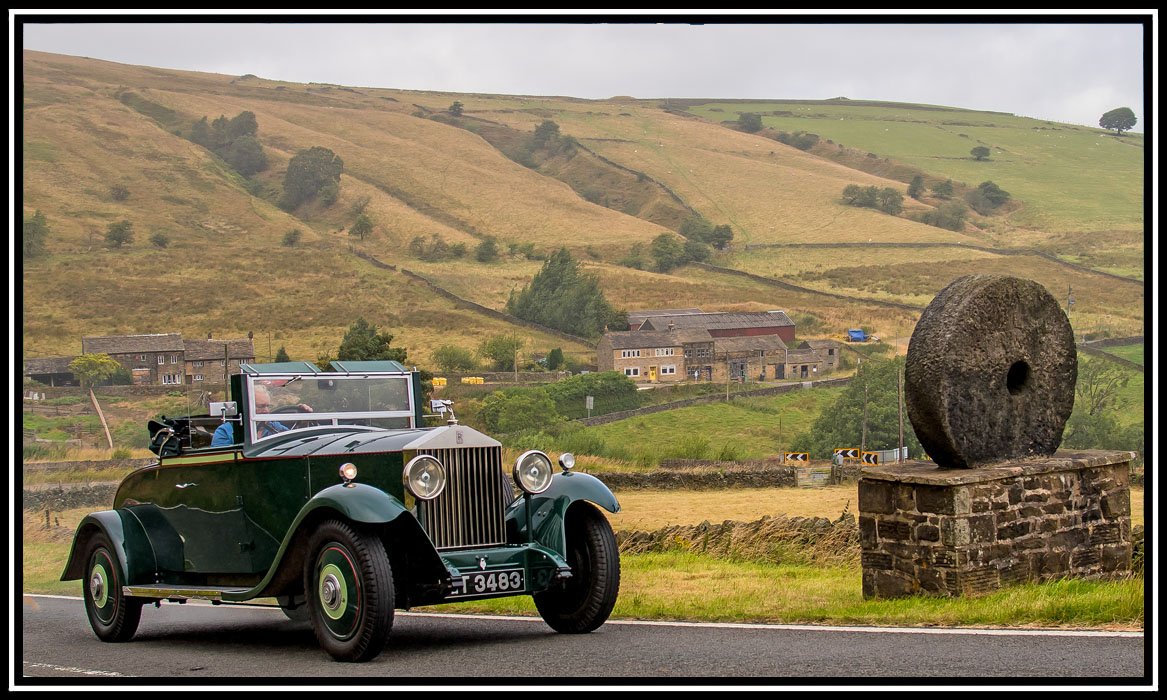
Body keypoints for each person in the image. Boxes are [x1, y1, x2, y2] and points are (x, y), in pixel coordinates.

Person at [210, 385, 311, 446]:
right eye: (261, 406)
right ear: (246, 406)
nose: (266, 411)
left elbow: (294, 442)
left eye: (268, 406)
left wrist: (303, 423)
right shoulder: (225, 432)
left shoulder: (274, 426)